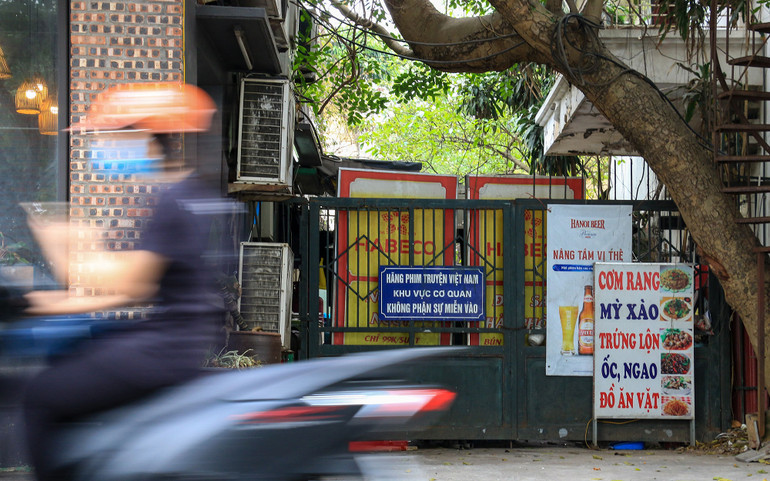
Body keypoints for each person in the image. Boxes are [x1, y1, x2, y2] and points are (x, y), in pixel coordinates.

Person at [21, 83, 226, 481]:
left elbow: (131, 283)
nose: (104, 147)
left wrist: (62, 243)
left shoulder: (174, 202)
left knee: (41, 396)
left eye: (112, 137)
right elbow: (138, 288)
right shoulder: (183, 195)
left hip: (164, 349)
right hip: (172, 339)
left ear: (145, 137)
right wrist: (57, 304)